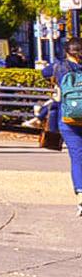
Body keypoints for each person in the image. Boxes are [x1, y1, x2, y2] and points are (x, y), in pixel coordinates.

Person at [37, 39, 82, 217]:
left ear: (67, 51)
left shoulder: (59, 66)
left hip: (69, 117)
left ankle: (81, 194)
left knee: (77, 156)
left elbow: (44, 73)